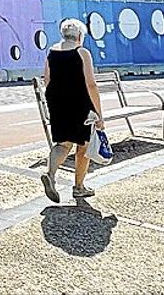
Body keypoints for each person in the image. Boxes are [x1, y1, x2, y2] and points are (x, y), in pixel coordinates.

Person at [40, 18, 104, 203]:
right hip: (80, 104)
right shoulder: (82, 53)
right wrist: (99, 114)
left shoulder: (52, 52)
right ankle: (79, 187)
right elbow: (91, 84)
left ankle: (50, 175)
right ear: (79, 36)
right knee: (83, 145)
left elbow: (47, 80)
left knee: (63, 144)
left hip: (57, 103)